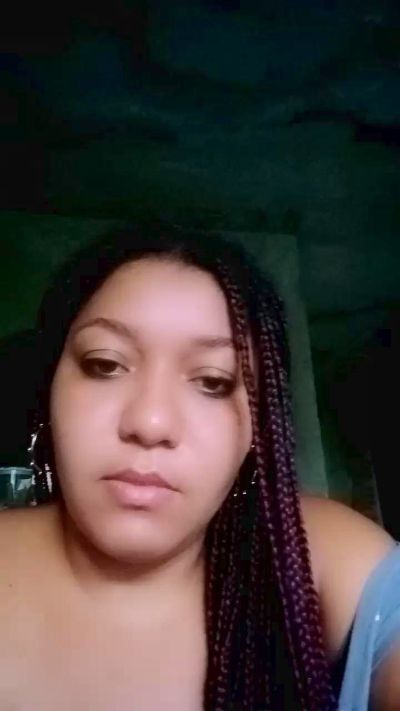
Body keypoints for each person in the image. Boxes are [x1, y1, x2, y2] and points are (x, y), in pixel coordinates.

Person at [0, 222, 398, 710]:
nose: (150, 422)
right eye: (105, 364)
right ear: (50, 391)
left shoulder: (321, 561)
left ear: (258, 429)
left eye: (213, 382)